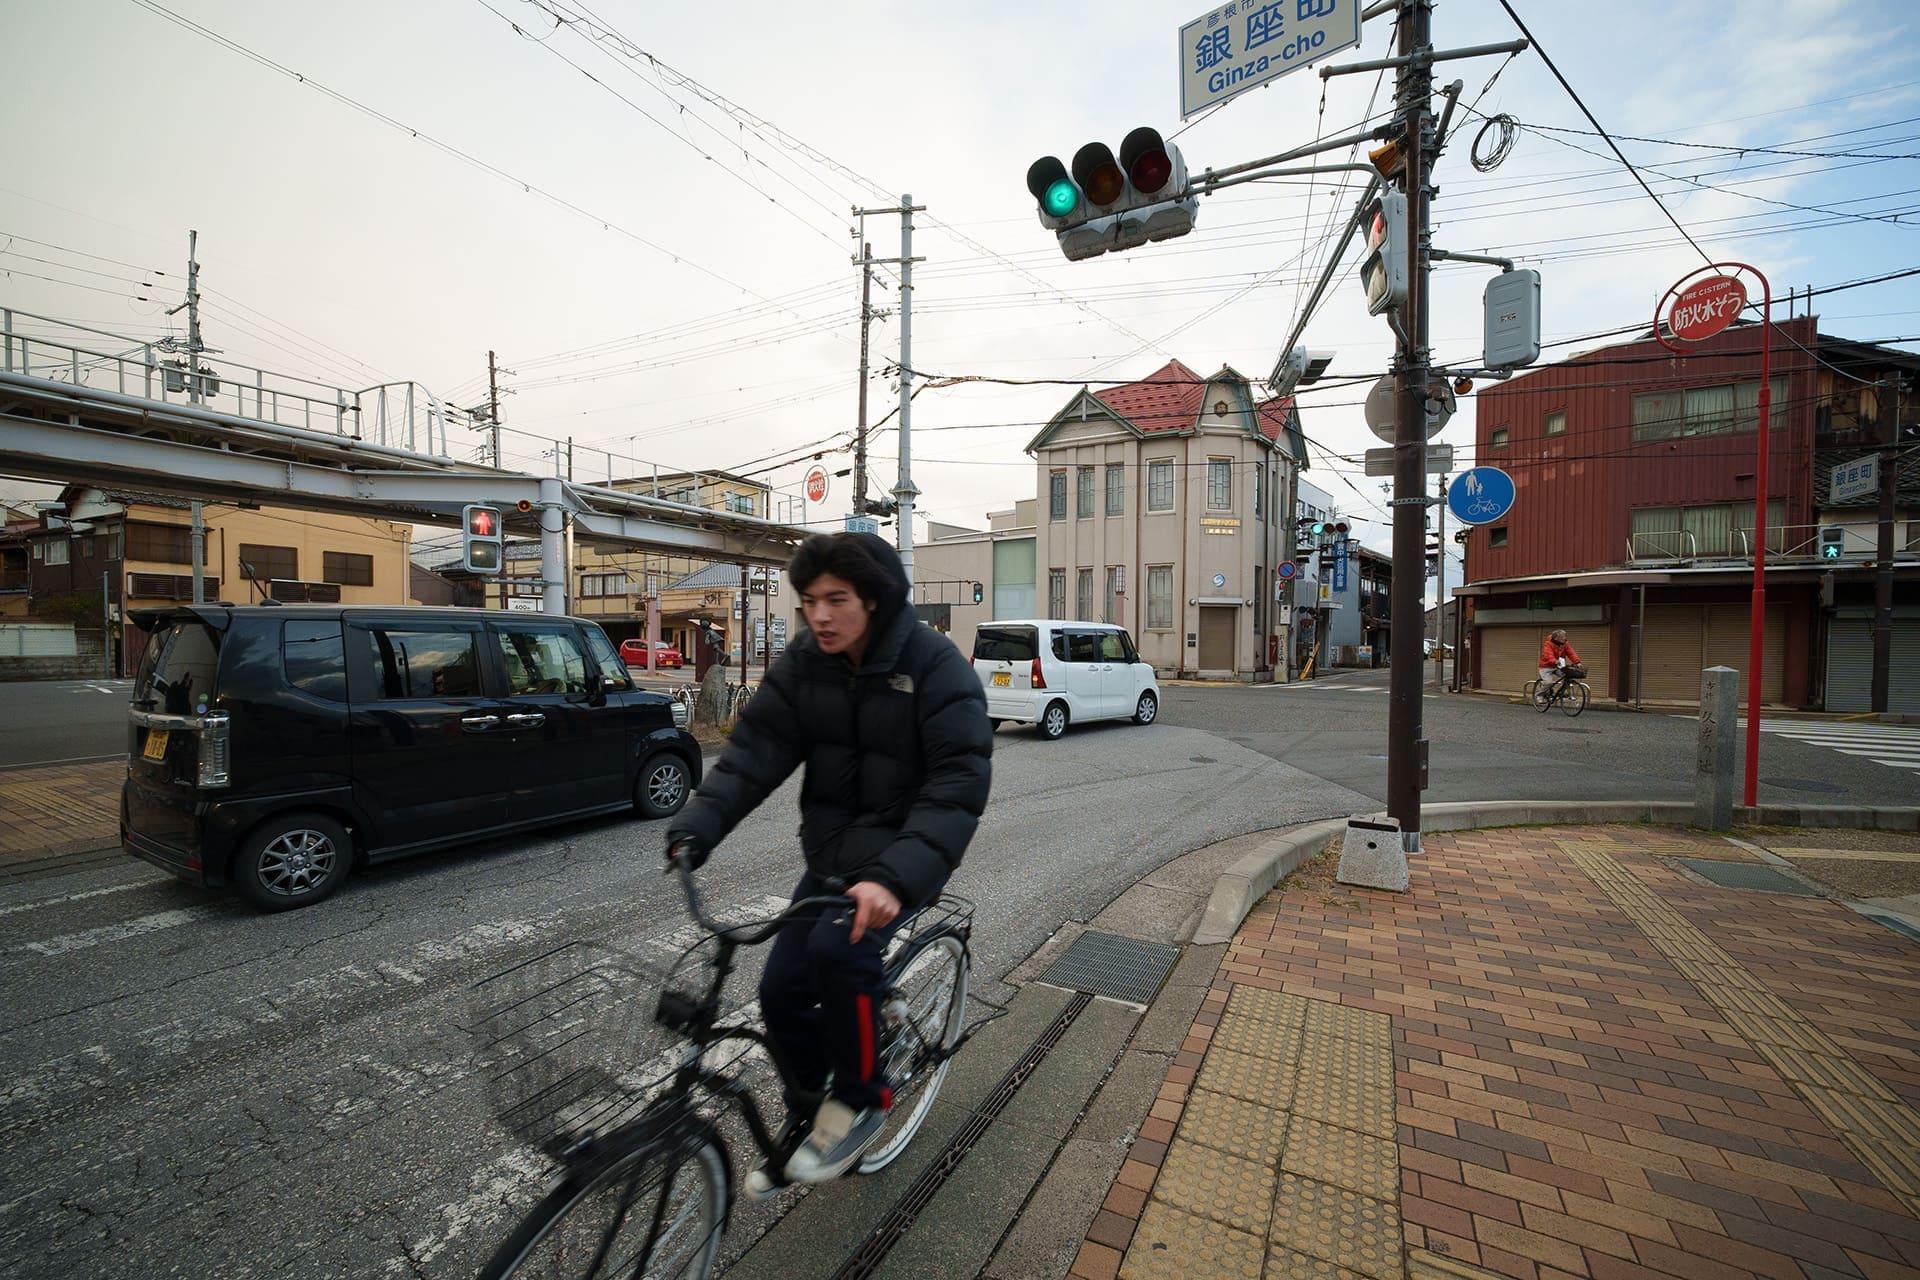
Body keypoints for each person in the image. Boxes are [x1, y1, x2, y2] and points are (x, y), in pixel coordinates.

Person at [665, 532, 992, 1193]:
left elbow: (957, 786)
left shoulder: (934, 667)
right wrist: (696, 827)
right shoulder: (807, 663)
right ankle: (813, 1112)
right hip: (833, 855)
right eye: (810, 600)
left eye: (836, 599)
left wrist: (894, 879)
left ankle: (863, 1101)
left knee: (839, 956)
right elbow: (754, 752)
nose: (819, 615)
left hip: (901, 862)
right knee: (780, 988)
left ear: (872, 599)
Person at [1538, 629, 1580, 698]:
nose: (1565, 638)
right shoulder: (1548, 644)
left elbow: (1571, 653)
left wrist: (1577, 662)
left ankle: (1561, 692)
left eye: (1564, 636)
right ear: (1556, 638)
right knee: (1548, 683)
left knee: (1567, 676)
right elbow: (1547, 654)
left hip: (1557, 666)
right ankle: (1539, 696)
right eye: (1562, 637)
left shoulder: (1565, 644)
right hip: (1546, 666)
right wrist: (1554, 661)